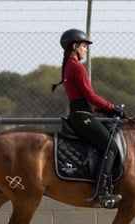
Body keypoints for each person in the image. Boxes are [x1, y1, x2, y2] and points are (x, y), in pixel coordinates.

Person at [51, 28, 124, 208]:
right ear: (74, 46)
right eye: (84, 46)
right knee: (111, 147)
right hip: (82, 116)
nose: (86, 50)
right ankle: (101, 192)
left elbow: (86, 98)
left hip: (79, 115)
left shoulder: (68, 66)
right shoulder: (77, 67)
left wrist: (106, 111)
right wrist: (112, 107)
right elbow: (90, 97)